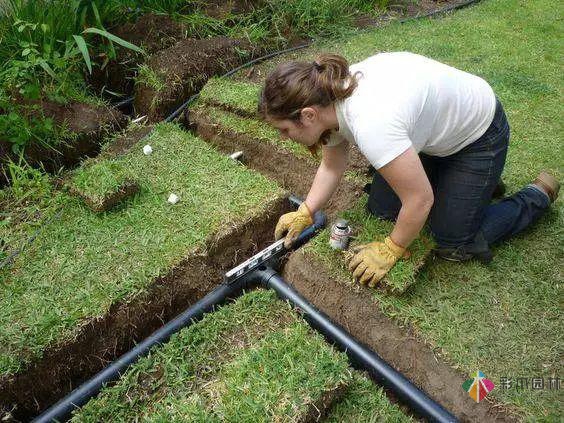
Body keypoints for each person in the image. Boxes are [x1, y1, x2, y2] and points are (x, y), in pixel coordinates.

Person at [259, 52, 559, 287]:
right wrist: (307, 210)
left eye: (285, 130)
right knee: (382, 210)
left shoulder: (372, 123)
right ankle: (472, 187)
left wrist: (392, 248)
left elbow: (419, 200)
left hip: (478, 136)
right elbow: (332, 163)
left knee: (451, 241)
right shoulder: (329, 96)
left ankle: (535, 195)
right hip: (432, 136)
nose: (286, 138)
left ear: (308, 115)